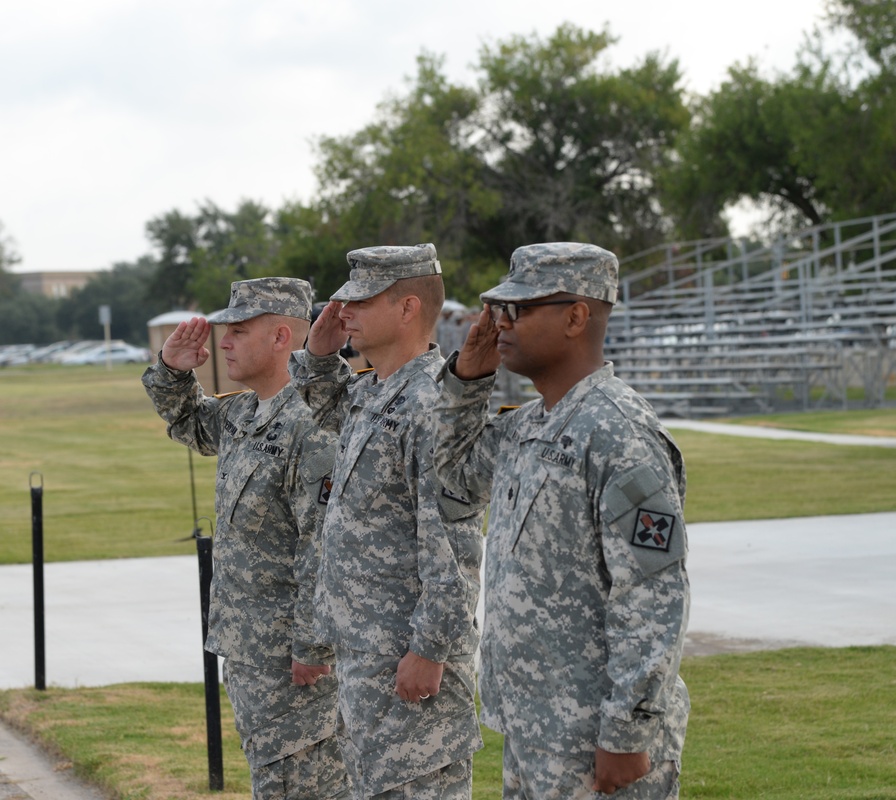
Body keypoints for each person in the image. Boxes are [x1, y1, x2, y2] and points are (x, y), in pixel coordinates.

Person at [434, 243, 691, 799]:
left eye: (519, 310)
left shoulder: (618, 434)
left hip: (595, 732)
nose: (500, 324)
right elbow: (452, 488)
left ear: (577, 316)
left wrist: (626, 730)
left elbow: (652, 592)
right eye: (499, 310)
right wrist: (466, 382)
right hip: (535, 724)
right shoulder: (527, 426)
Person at [288, 243, 486, 800]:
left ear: (407, 309)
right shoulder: (374, 391)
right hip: (368, 658)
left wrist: (430, 648)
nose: (343, 310)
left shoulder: (432, 404)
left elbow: (452, 539)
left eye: (361, 300)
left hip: (410, 664)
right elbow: (326, 406)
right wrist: (319, 355)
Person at [141, 277, 349, 800]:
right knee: (272, 781)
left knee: (302, 785)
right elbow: (189, 421)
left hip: (293, 661)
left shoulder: (311, 425)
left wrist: (312, 644)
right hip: (251, 650)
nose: (224, 342)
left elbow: (320, 544)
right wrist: (172, 369)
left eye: (238, 330)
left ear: (282, 337)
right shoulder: (244, 412)